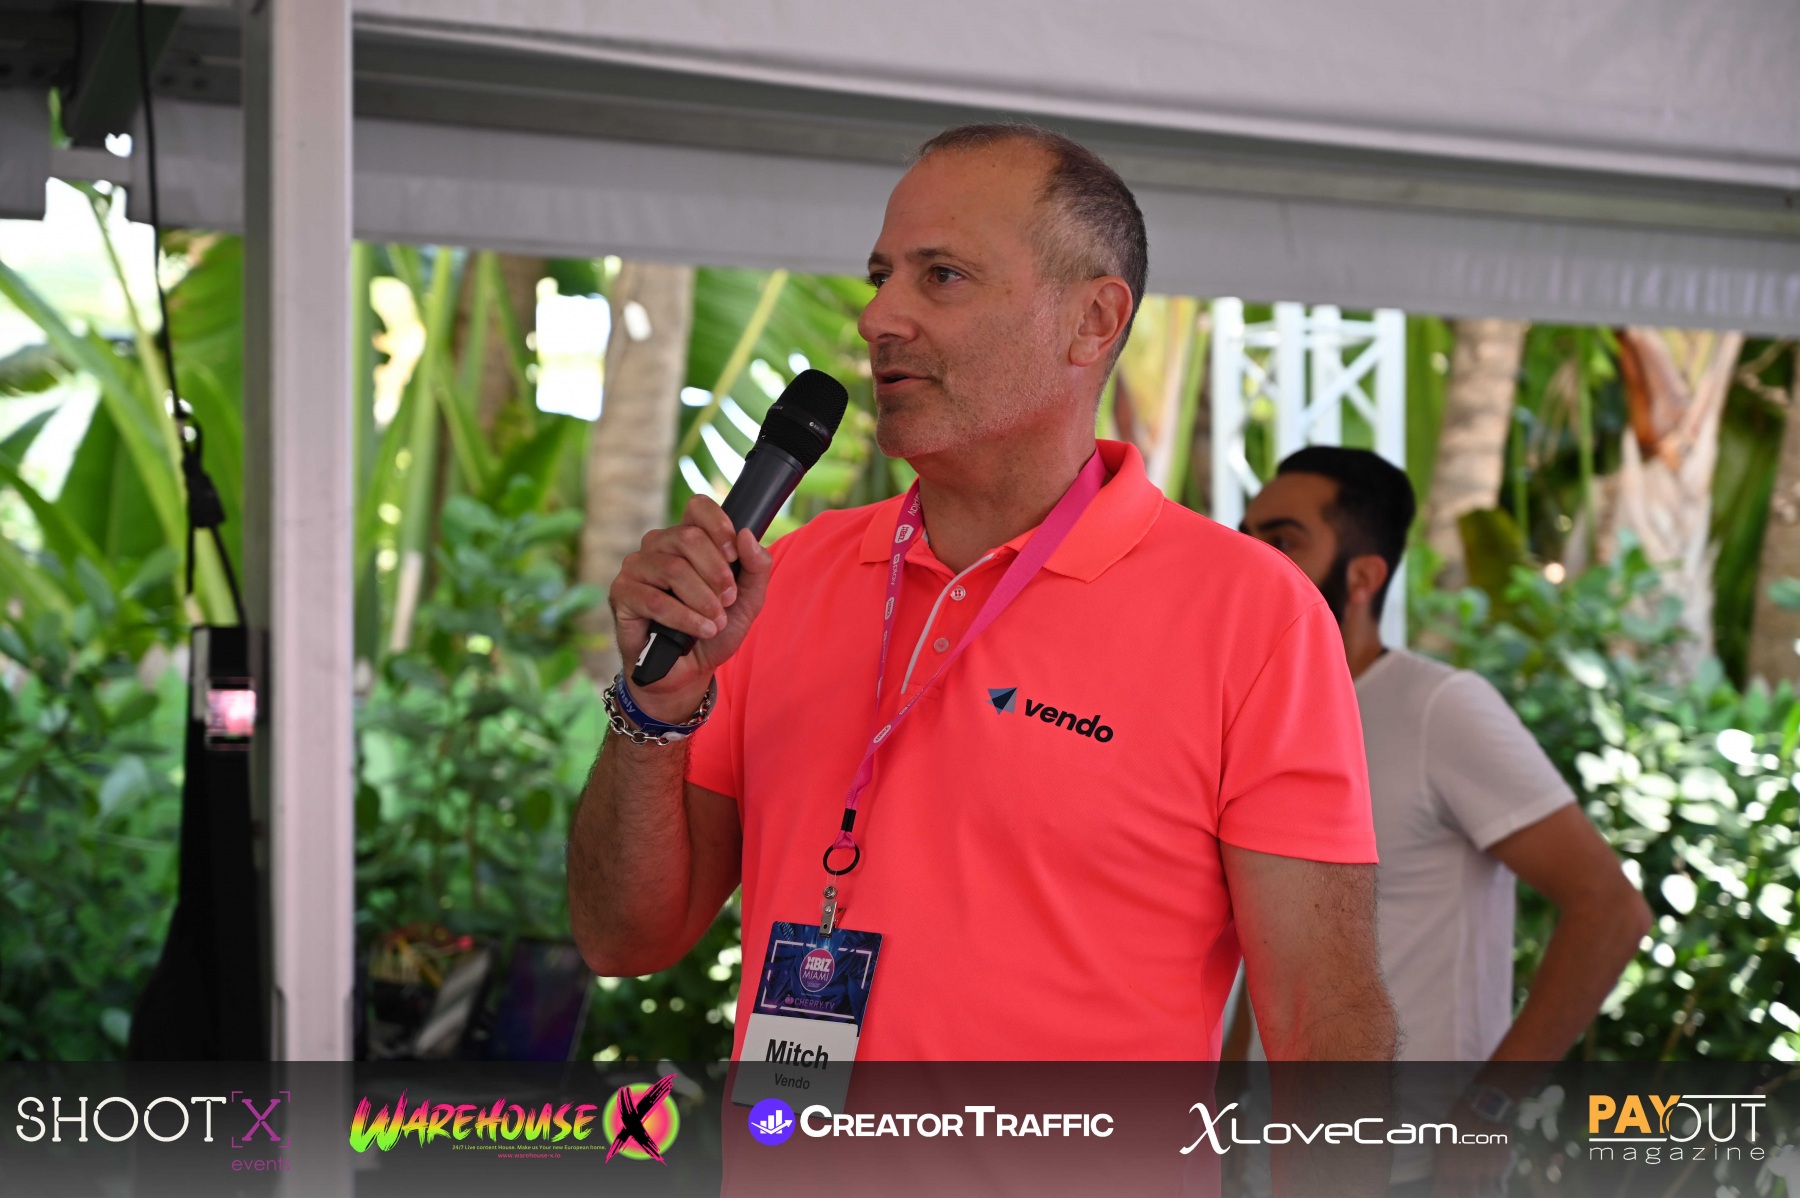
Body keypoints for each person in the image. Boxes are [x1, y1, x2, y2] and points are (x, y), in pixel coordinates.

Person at [569, 124, 1396, 1067]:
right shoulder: (780, 579)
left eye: (943, 276)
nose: (879, 317)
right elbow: (622, 938)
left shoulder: (1251, 615)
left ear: (1093, 321)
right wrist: (655, 710)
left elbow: (1323, 1022)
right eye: (880, 276)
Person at [1239, 447, 1652, 1192]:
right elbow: (1261, 944)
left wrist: (1490, 1106)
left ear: (1364, 577)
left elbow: (1610, 909)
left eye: (1283, 539)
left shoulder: (1438, 708)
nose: (1250, 558)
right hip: (1262, 1160)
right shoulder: (1251, 714)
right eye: (1246, 535)